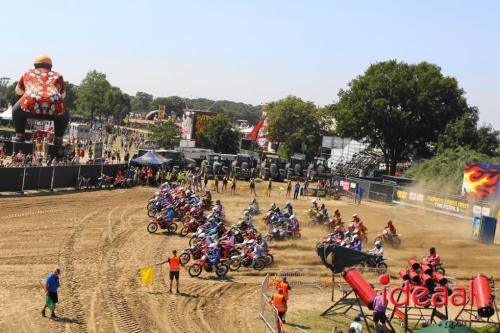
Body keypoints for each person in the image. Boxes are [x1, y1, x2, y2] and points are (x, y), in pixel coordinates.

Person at [13, 56, 68, 145]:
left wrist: (22, 99)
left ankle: (19, 136)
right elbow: (63, 95)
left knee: (16, 111)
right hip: (54, 108)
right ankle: (58, 139)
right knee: (64, 115)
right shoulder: (58, 75)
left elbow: (18, 91)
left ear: (35, 65)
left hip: (30, 105)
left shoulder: (28, 72)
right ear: (51, 66)